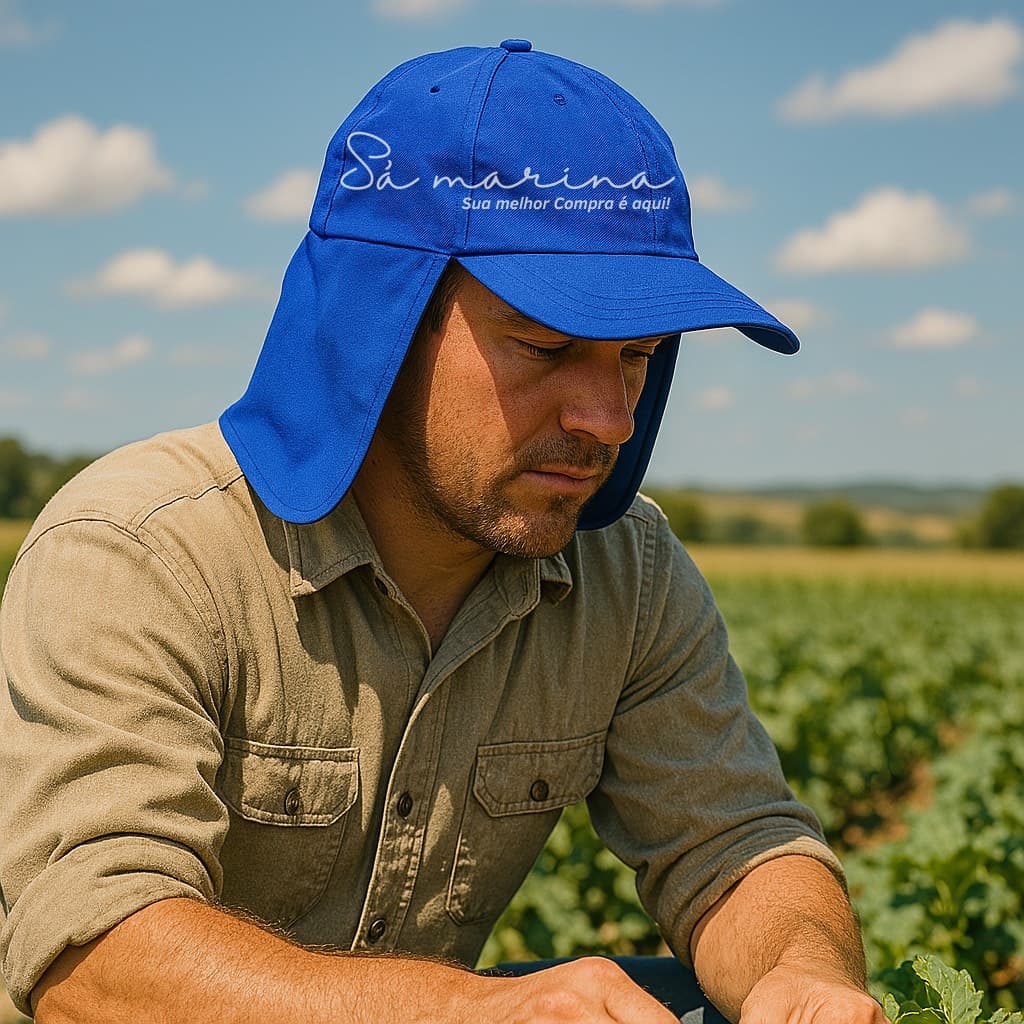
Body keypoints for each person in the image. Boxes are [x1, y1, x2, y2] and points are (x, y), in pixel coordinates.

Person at [0, 39, 884, 1024]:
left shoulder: (626, 572)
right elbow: (96, 963)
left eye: (637, 355)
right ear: (376, 321)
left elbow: (735, 846)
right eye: (547, 346)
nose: (610, 417)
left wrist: (804, 975)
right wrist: (472, 1011)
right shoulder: (138, 549)